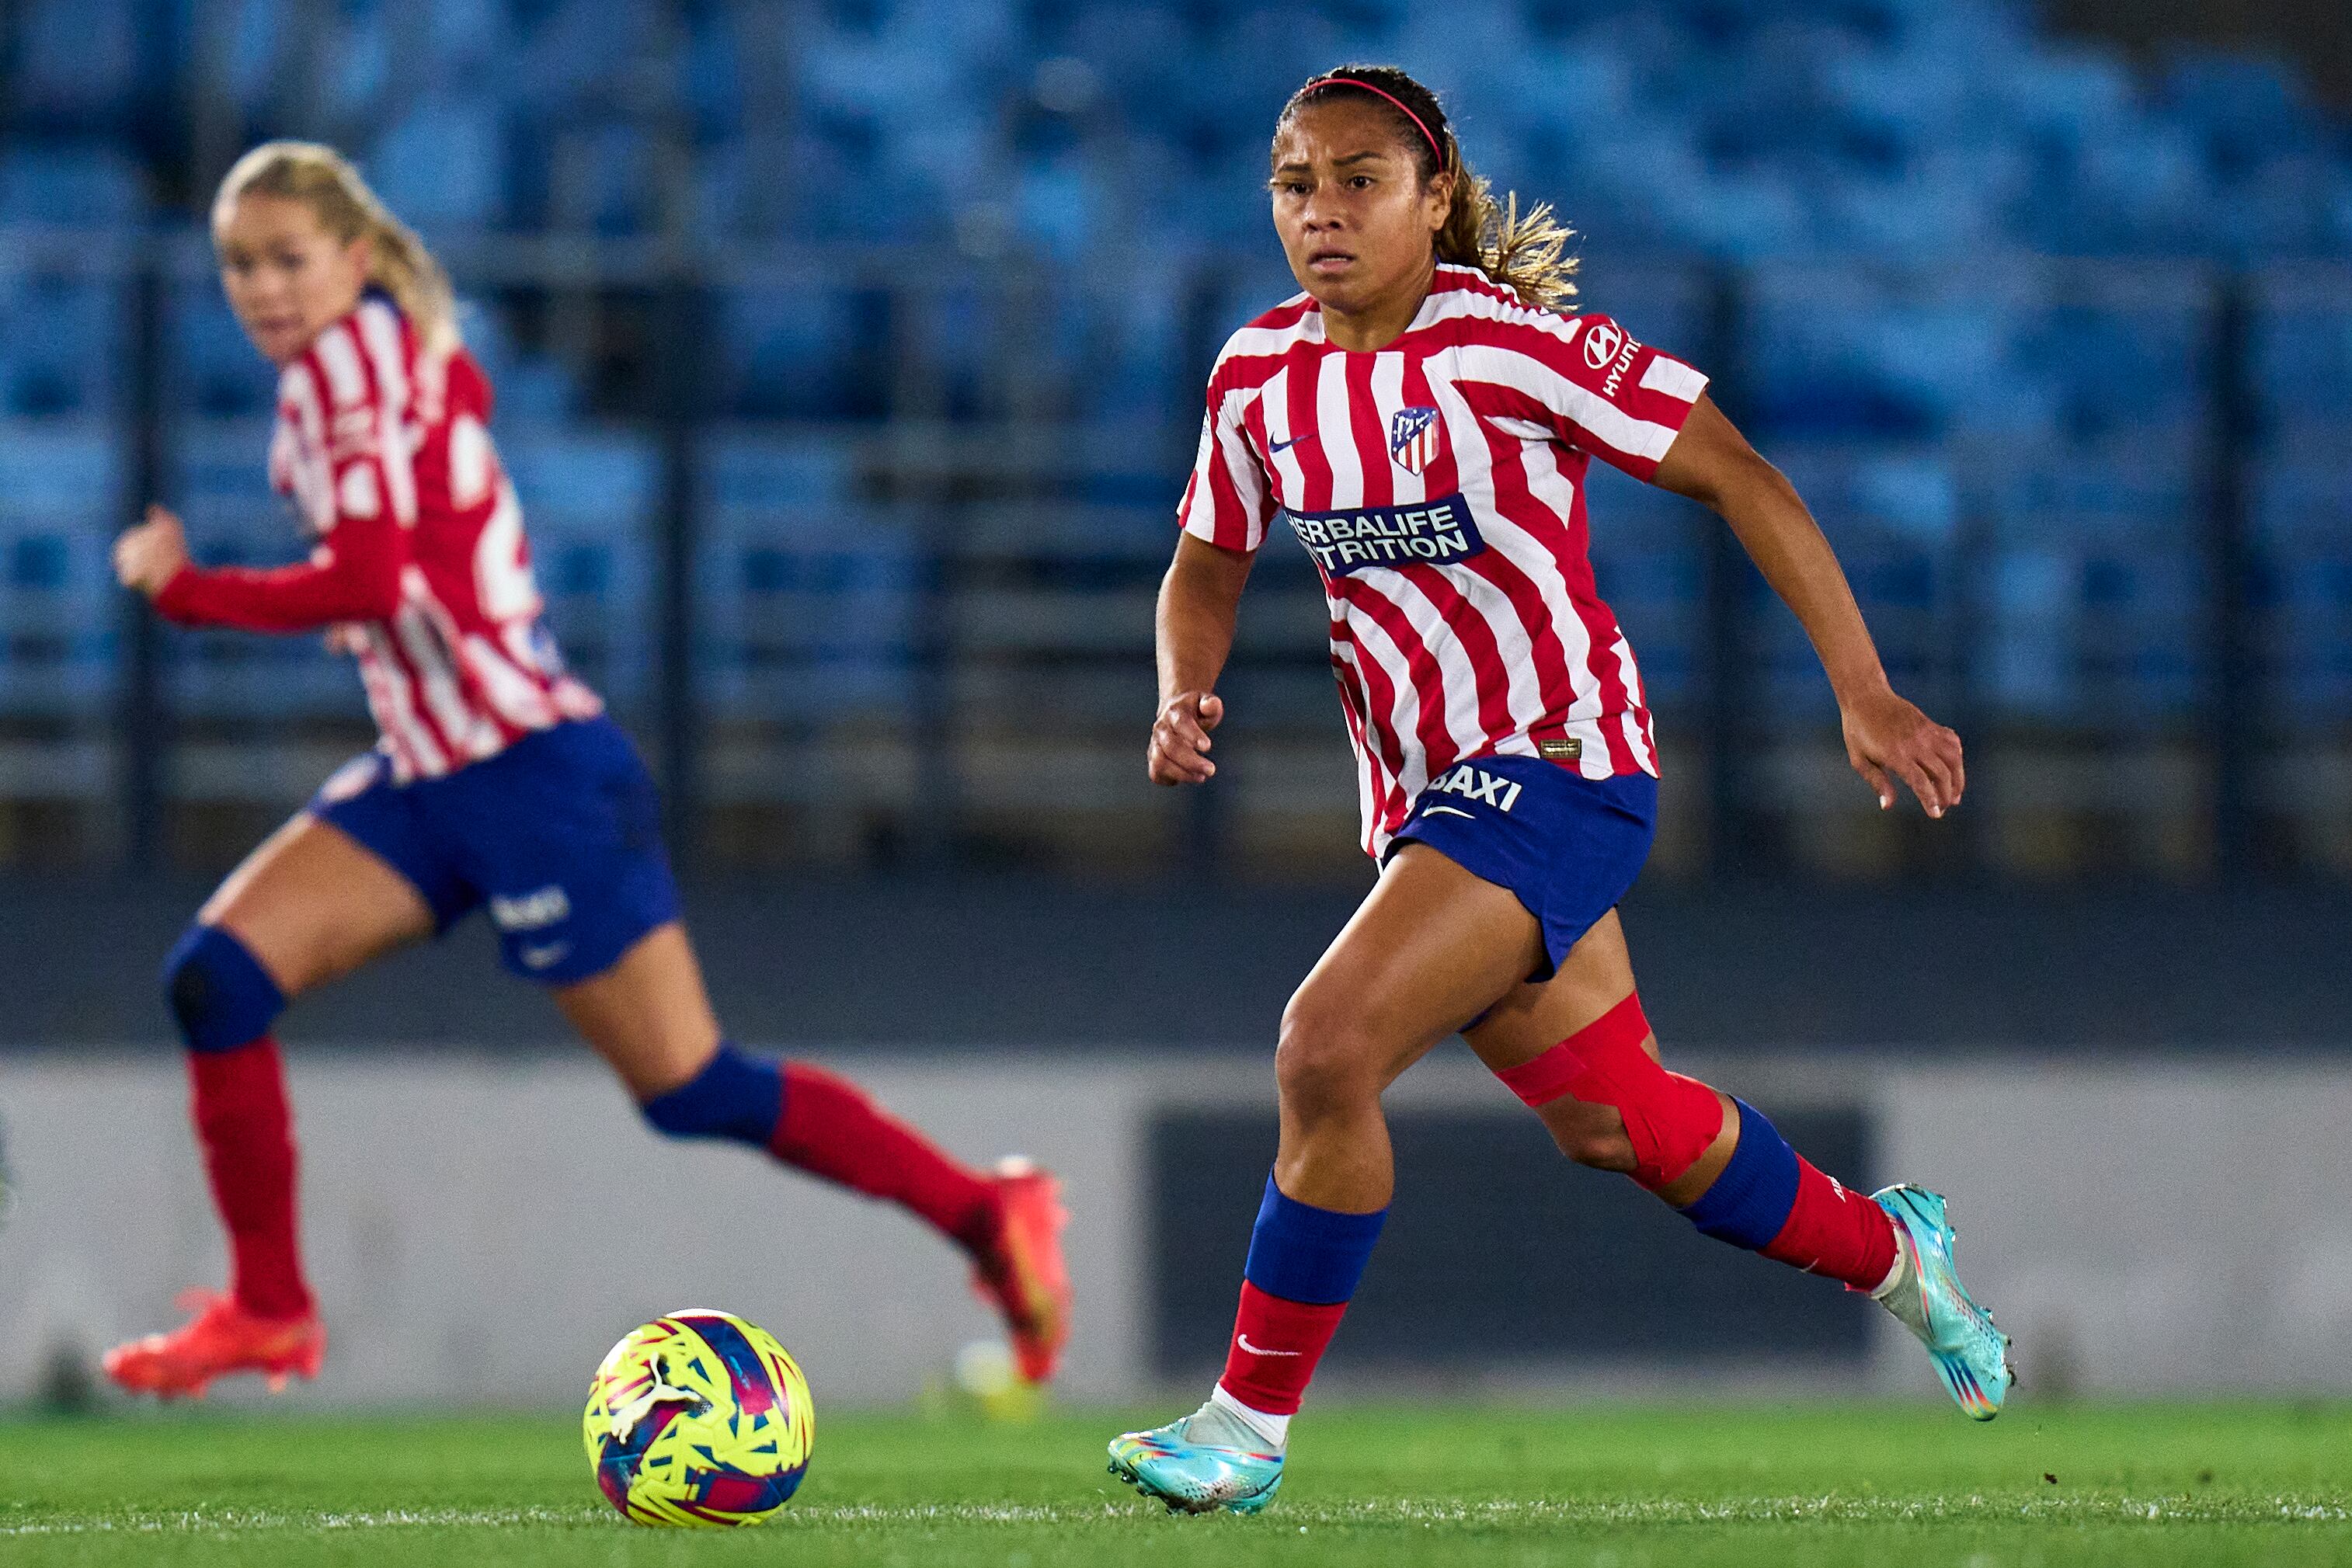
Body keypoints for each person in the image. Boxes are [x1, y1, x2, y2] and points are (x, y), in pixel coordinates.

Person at [1107, 67, 2009, 1515]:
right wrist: (1179, 685)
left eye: (1359, 181)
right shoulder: (1254, 375)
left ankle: (1243, 1426)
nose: (1323, 212)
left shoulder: (1514, 346)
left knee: (1324, 1049)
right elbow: (1206, 563)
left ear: (1434, 199)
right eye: (1296, 184)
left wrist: (1864, 687)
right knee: (1616, 1125)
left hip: (1561, 764)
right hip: (1424, 804)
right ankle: (1895, 1251)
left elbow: (1743, 477)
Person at [104, 142, 1070, 1399]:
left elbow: (373, 578)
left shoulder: (352, 364)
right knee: (217, 981)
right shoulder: (376, 358)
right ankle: (270, 1309)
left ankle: (986, 1216)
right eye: (240, 265)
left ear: (352, 258)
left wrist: (190, 593)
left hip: (530, 776)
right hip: (433, 773)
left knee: (691, 1086)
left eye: (289, 259)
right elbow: (429, 522)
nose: (264, 288)